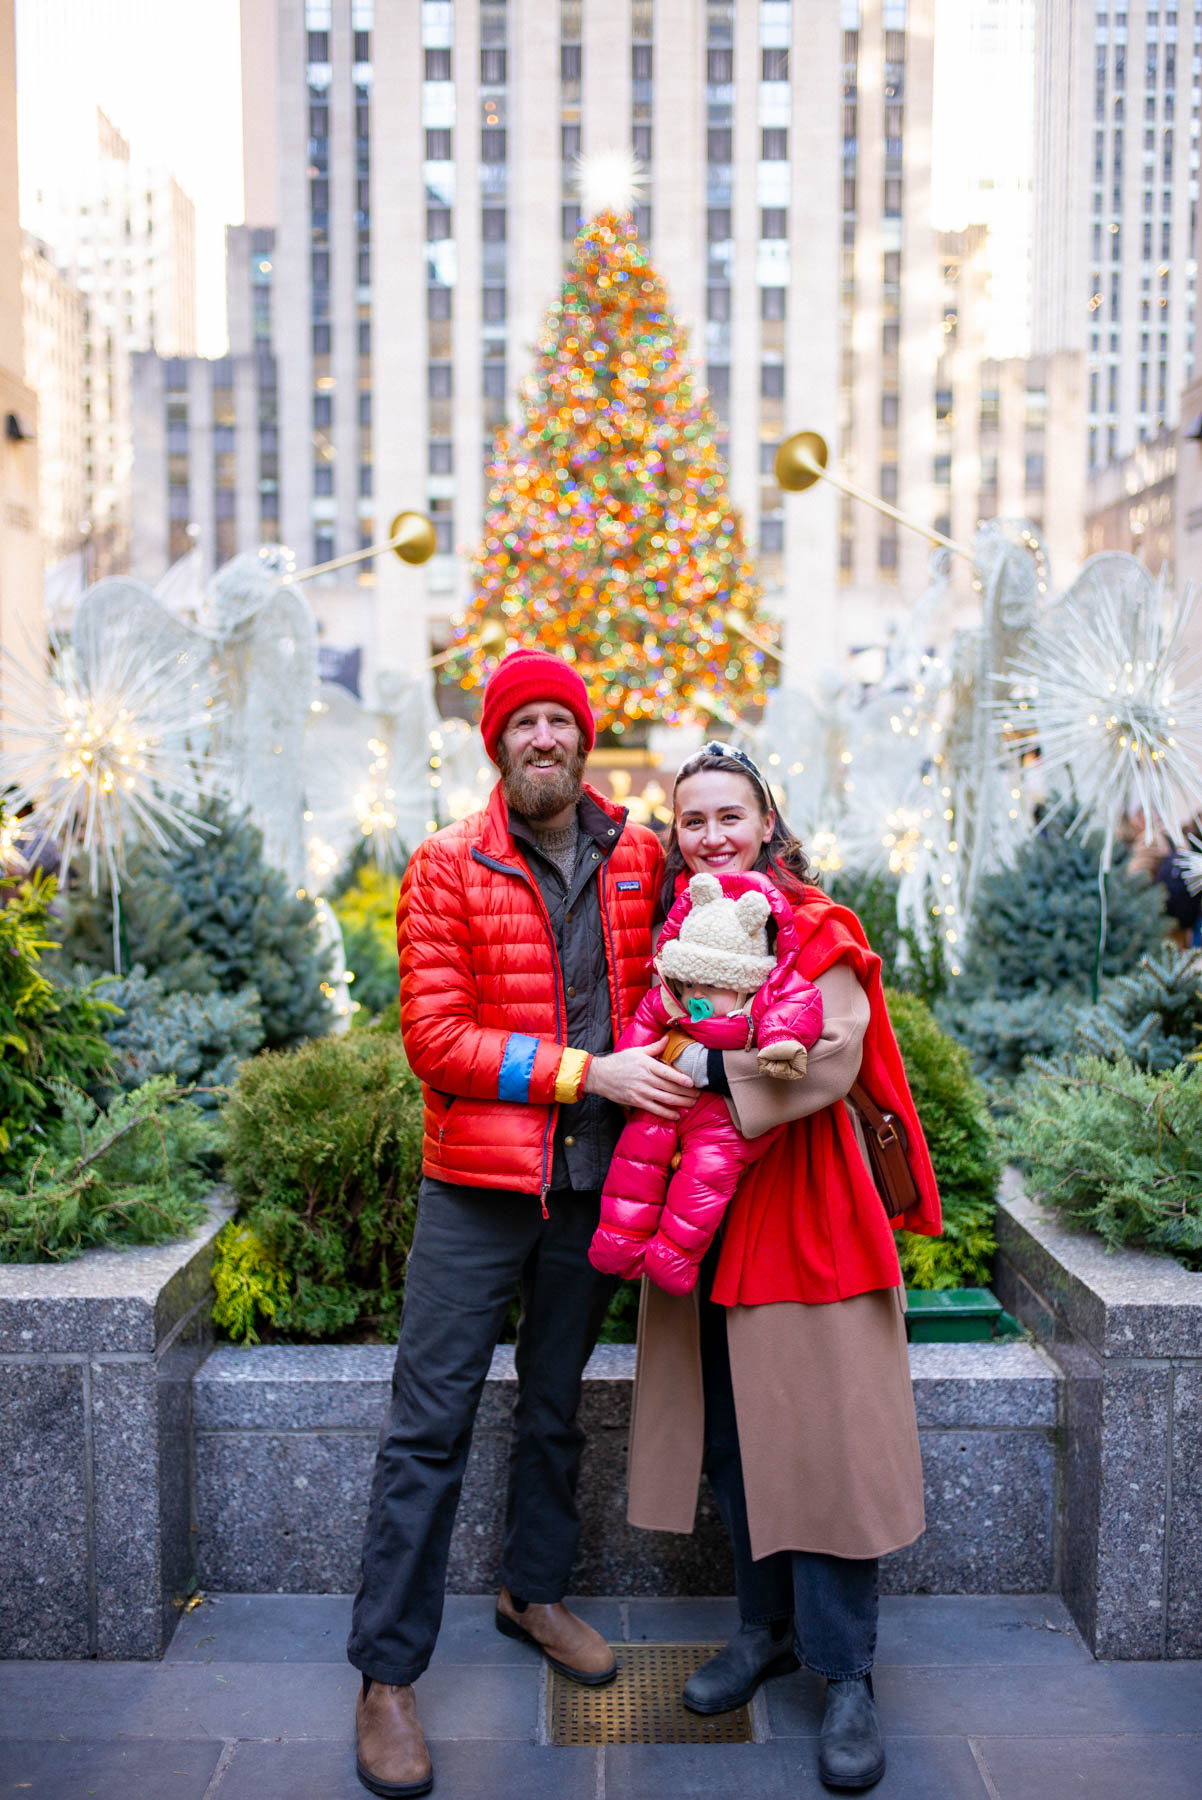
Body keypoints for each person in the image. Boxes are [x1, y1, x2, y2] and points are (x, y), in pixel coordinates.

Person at [347, 647, 696, 1799]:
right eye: (523, 723)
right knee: (427, 1429)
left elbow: (688, 973)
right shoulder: (448, 864)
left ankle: (530, 1592)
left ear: (581, 740)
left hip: (596, 1188)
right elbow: (434, 1043)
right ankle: (388, 1676)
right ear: (494, 743)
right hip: (478, 1188)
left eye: (560, 721)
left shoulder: (638, 854)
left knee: (553, 1414)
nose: (543, 738)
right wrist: (582, 1075)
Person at [625, 742, 941, 1794]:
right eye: (692, 821)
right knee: (731, 1443)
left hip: (805, 1209)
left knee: (827, 1446)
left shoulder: (818, 928)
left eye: (729, 814)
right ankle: (761, 1631)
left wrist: (704, 1063)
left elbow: (830, 1060)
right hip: (705, 1215)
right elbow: (648, 1042)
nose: (710, 834)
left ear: (766, 821)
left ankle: (845, 1674)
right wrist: (687, 1060)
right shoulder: (682, 935)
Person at [588, 867, 823, 1295]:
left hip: (725, 1120)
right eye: (690, 980)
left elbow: (798, 1010)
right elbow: (643, 1026)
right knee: (637, 1156)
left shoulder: (767, 996)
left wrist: (780, 1042)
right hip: (666, 1098)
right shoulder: (672, 999)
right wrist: (628, 1062)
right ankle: (619, 1240)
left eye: (711, 985)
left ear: (746, 982)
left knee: (704, 1181)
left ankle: (672, 1258)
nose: (696, 993)